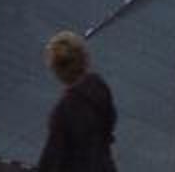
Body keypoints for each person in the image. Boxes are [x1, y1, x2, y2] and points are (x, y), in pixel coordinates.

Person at [34, 31, 116, 172]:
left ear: (57, 69)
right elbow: (110, 121)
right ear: (84, 58)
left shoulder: (63, 111)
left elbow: (51, 159)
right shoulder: (99, 85)